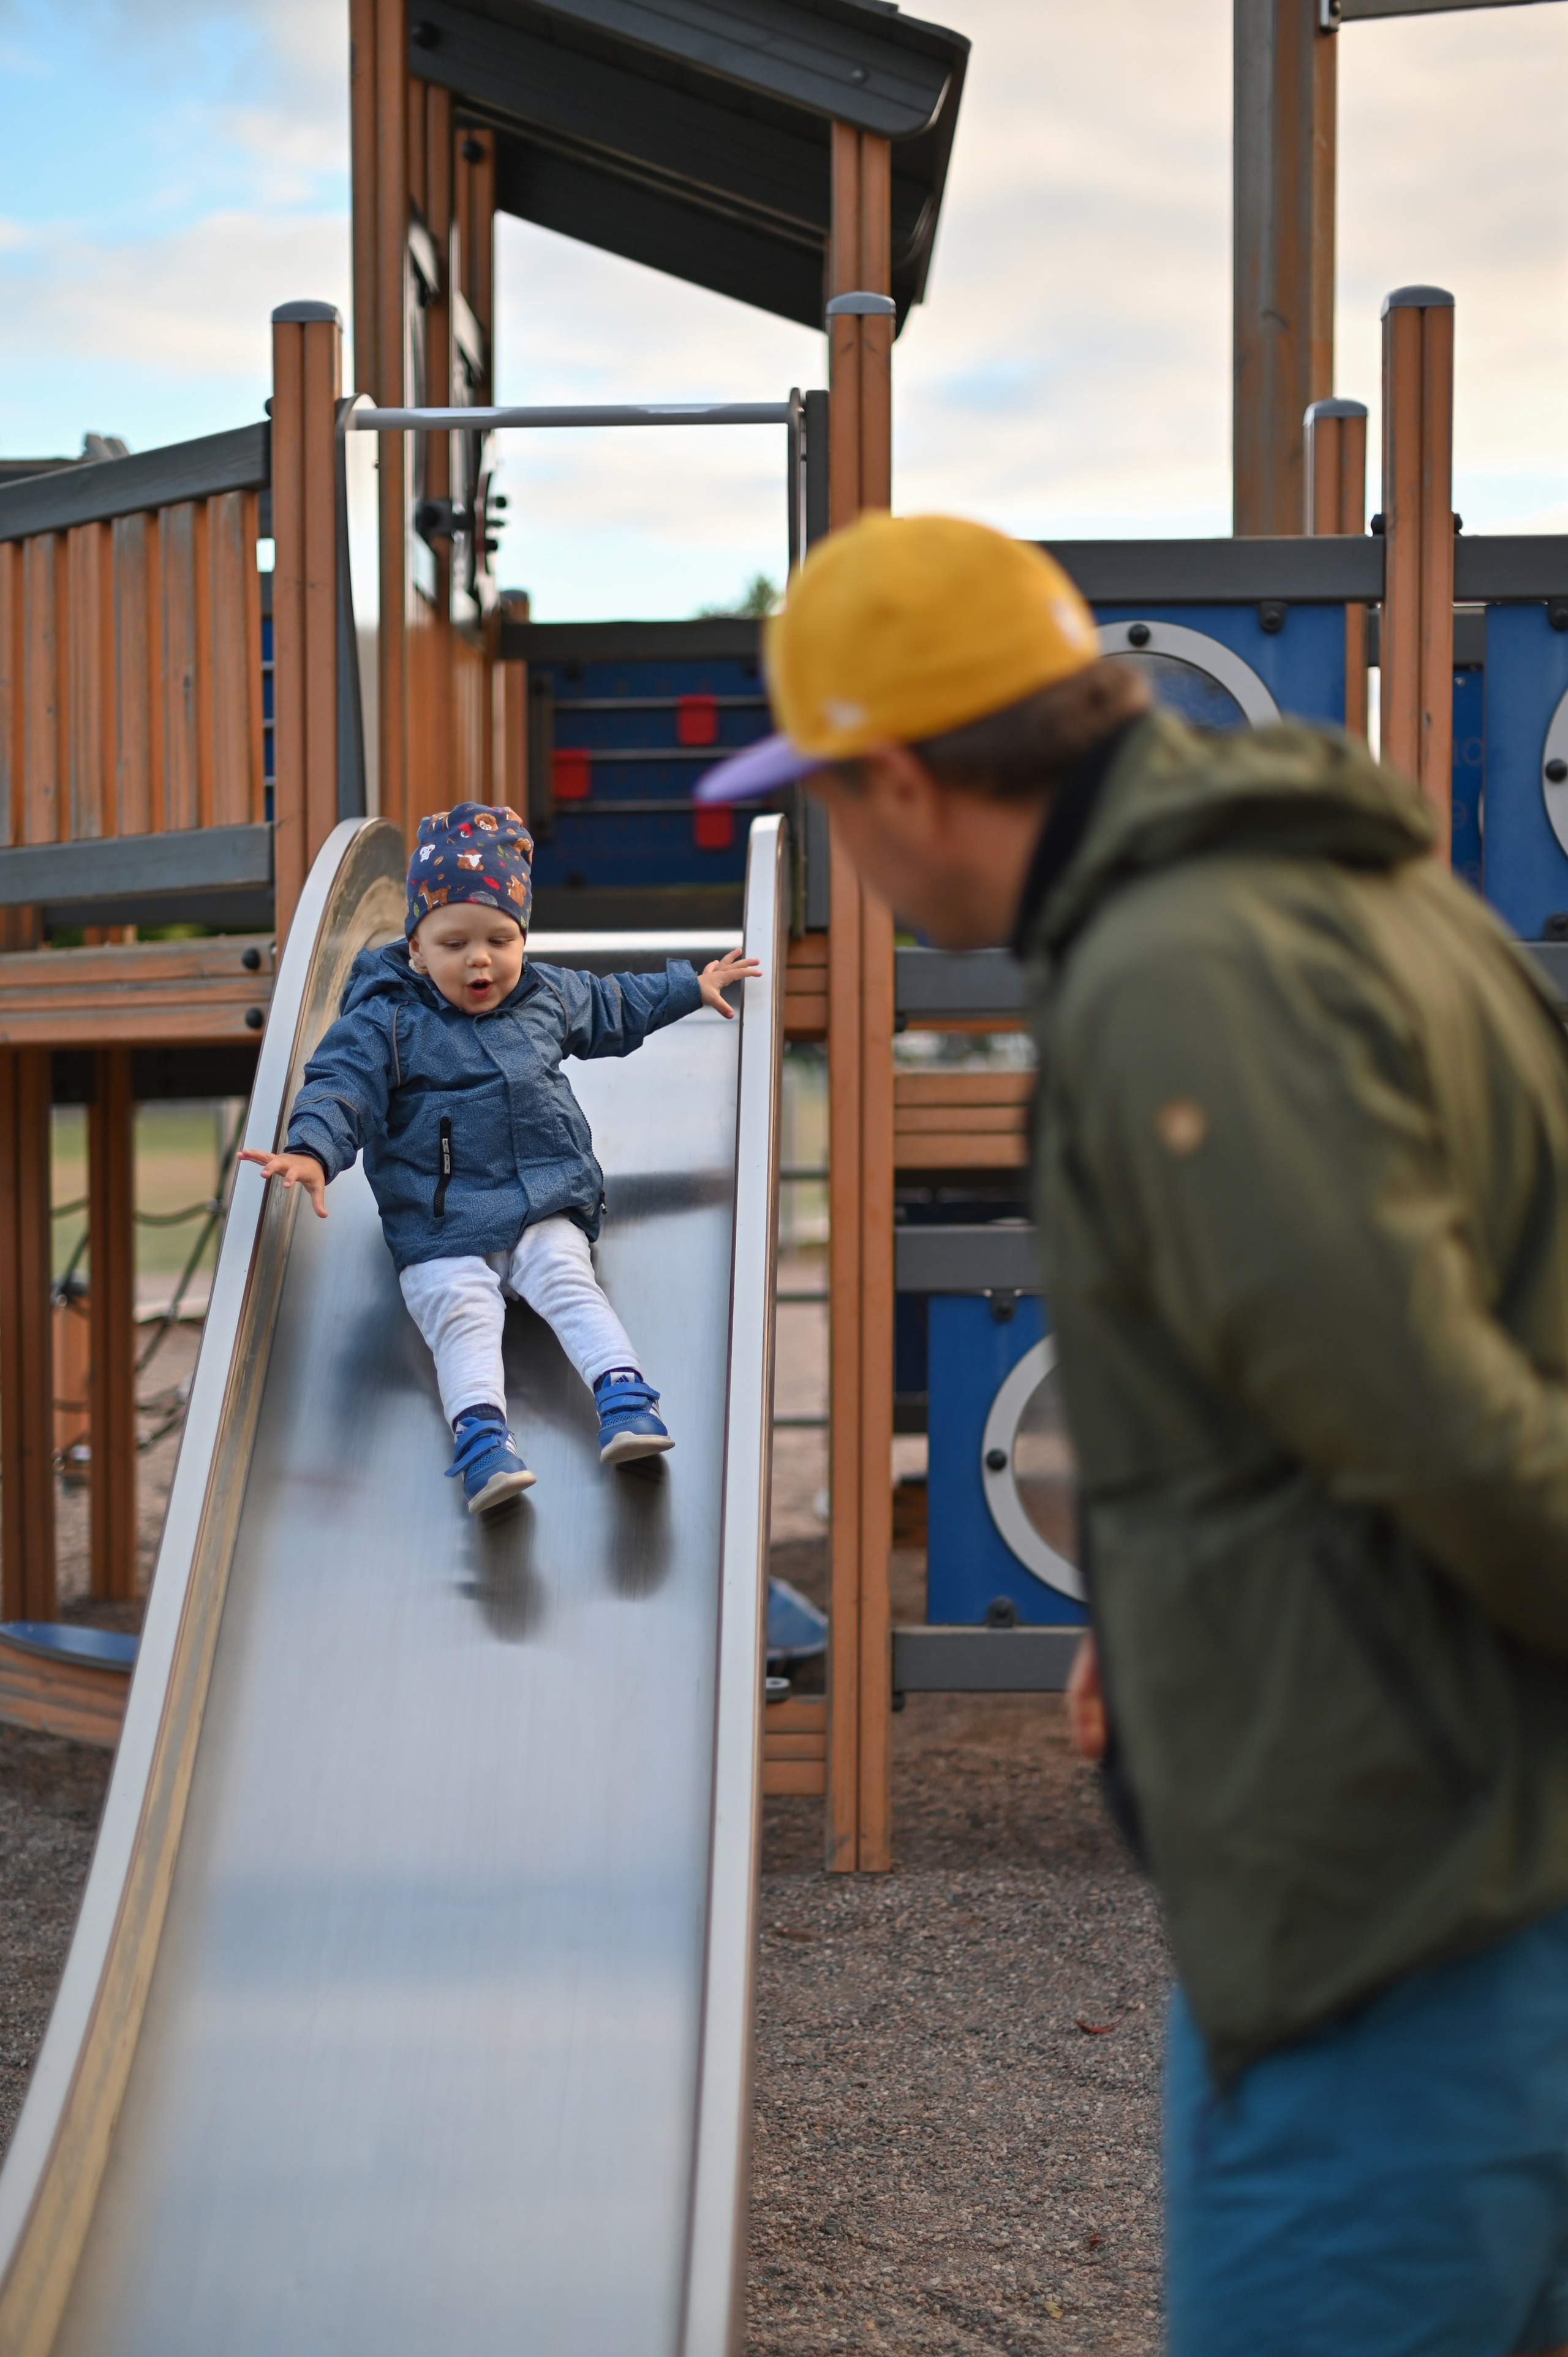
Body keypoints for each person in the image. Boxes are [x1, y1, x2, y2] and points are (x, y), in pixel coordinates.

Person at [696, 512, 1568, 2357]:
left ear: (909, 777)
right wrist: (1166, 1614)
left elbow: (1437, 1426)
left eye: (833, 801)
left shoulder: (1179, 972)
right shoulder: (1349, 892)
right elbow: (1328, 1363)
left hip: (1397, 1901)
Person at [241, 801, 758, 1515]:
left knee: (568, 1277)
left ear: (523, 937)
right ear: (417, 949)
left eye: (498, 938)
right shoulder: (387, 1018)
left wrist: (685, 987)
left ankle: (626, 1397)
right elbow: (343, 1083)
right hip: (441, 1224)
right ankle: (483, 1439)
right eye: (454, 943)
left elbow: (613, 1003)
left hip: (543, 1198)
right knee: (461, 1310)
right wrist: (311, 1150)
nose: (479, 959)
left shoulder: (544, 993)